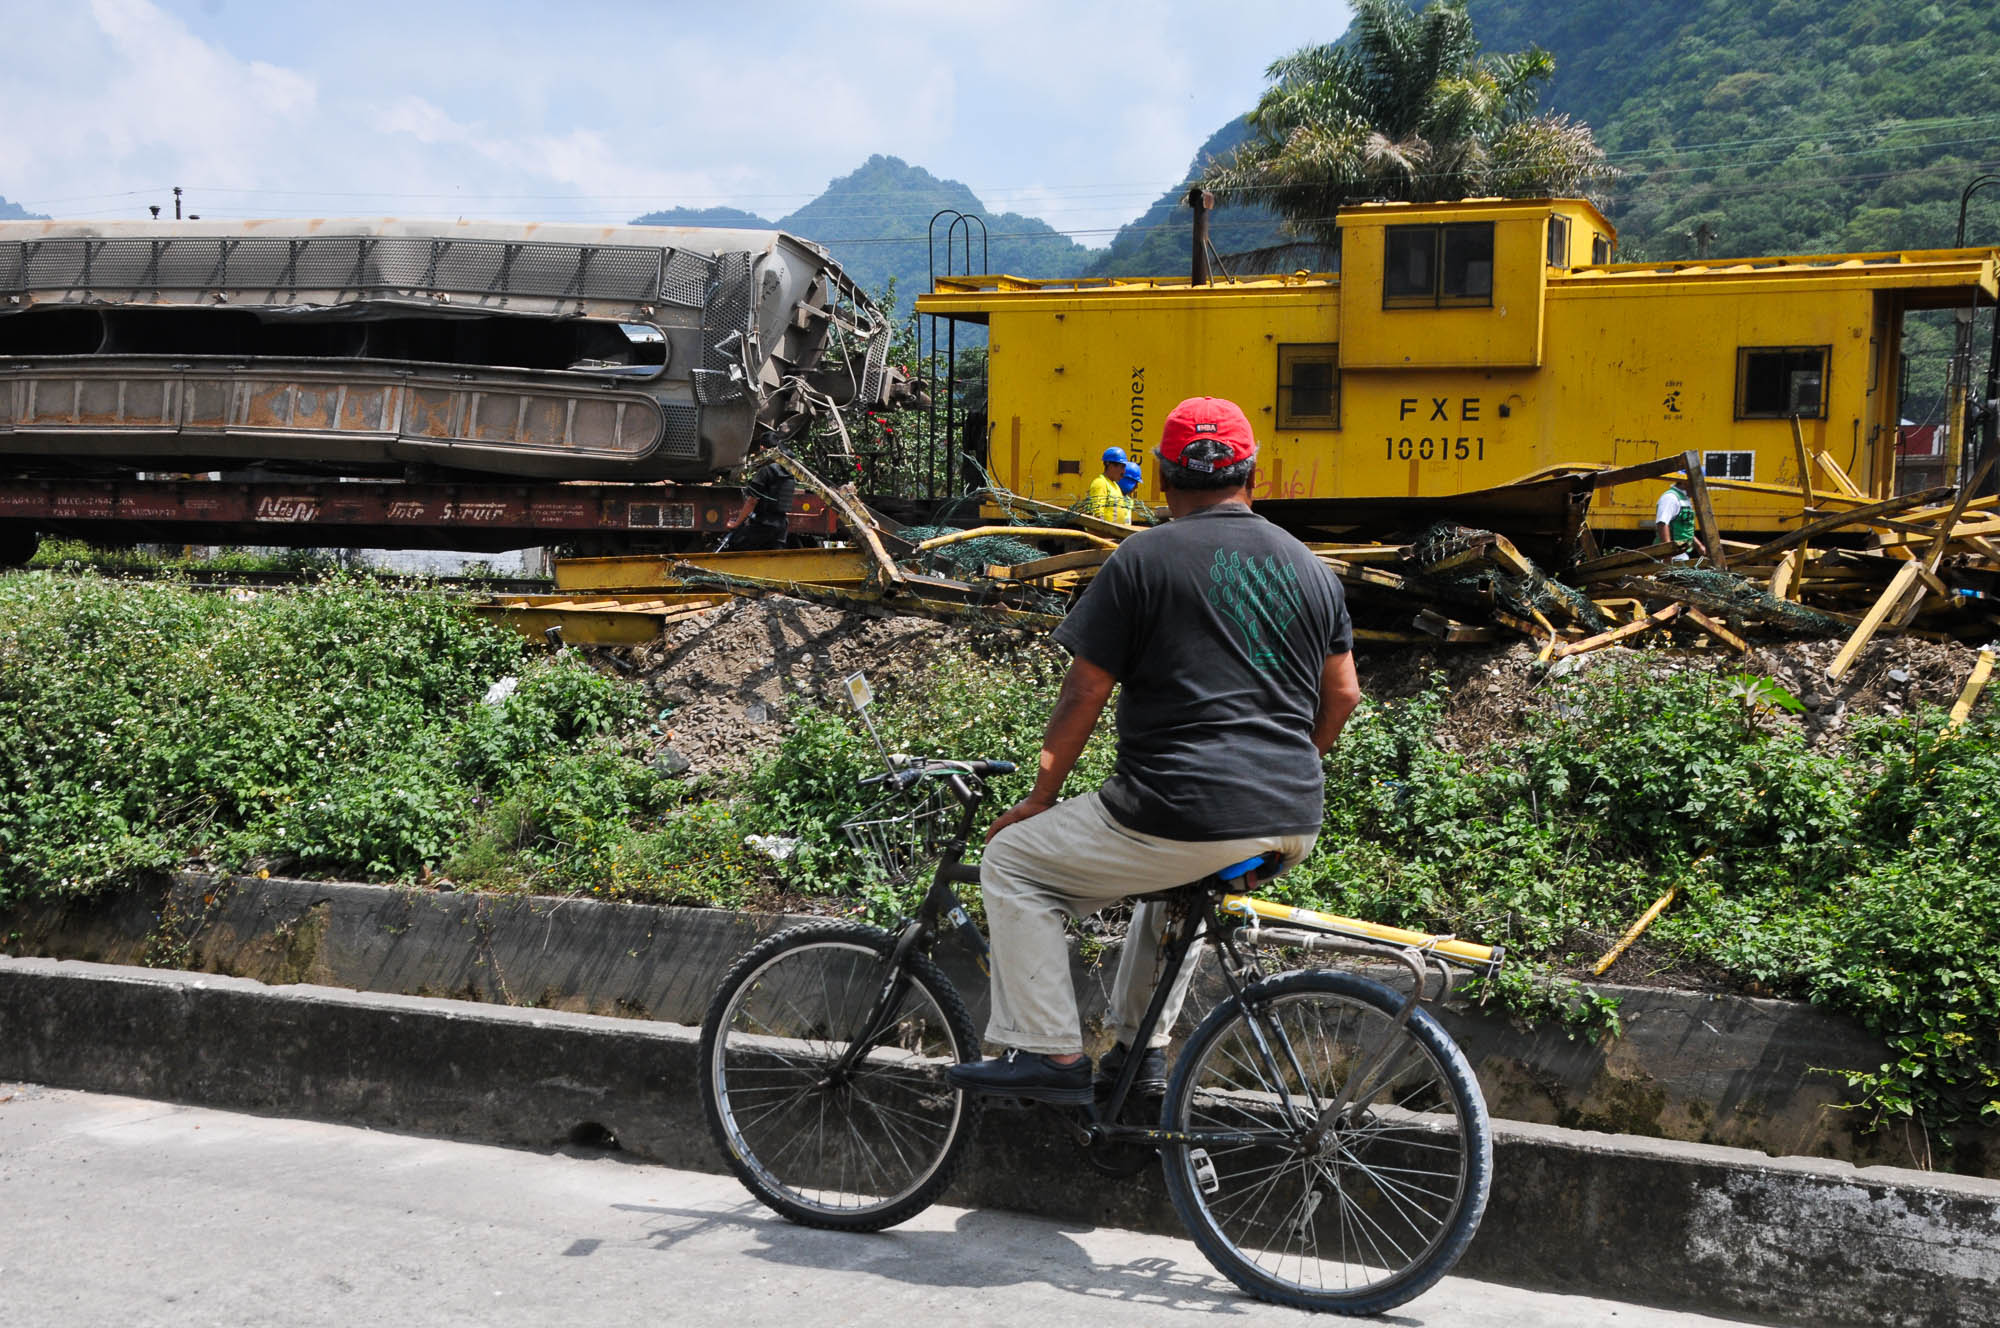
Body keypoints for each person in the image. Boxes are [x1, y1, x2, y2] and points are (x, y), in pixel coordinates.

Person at [946, 396, 1361, 1104]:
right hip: (1294, 815)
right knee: (1171, 896)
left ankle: (1050, 1055)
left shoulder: (1143, 557)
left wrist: (1040, 800)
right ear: (1254, 474)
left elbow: (1085, 693)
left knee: (1013, 860)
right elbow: (1344, 695)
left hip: (1182, 804)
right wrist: (1295, 764)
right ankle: (1138, 1065)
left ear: (1164, 480)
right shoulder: (1311, 569)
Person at [717, 458, 795, 551]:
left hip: (763, 524)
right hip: (781, 526)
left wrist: (736, 523)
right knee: (774, 559)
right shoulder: (790, 475)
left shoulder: (766, 471)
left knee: (735, 545)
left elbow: (752, 501)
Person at [1653, 481, 1706, 561]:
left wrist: (1699, 546)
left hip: (1680, 554)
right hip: (1670, 556)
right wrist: (1668, 553)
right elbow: (1662, 523)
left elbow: (1684, 527)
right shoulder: (1670, 498)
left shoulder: (1684, 499)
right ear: (1685, 482)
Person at [1083, 446, 1134, 525]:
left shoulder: (1115, 486)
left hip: (1114, 534)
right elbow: (1097, 515)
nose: (1123, 472)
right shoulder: (1100, 483)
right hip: (1104, 535)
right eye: (1121, 467)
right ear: (1109, 464)